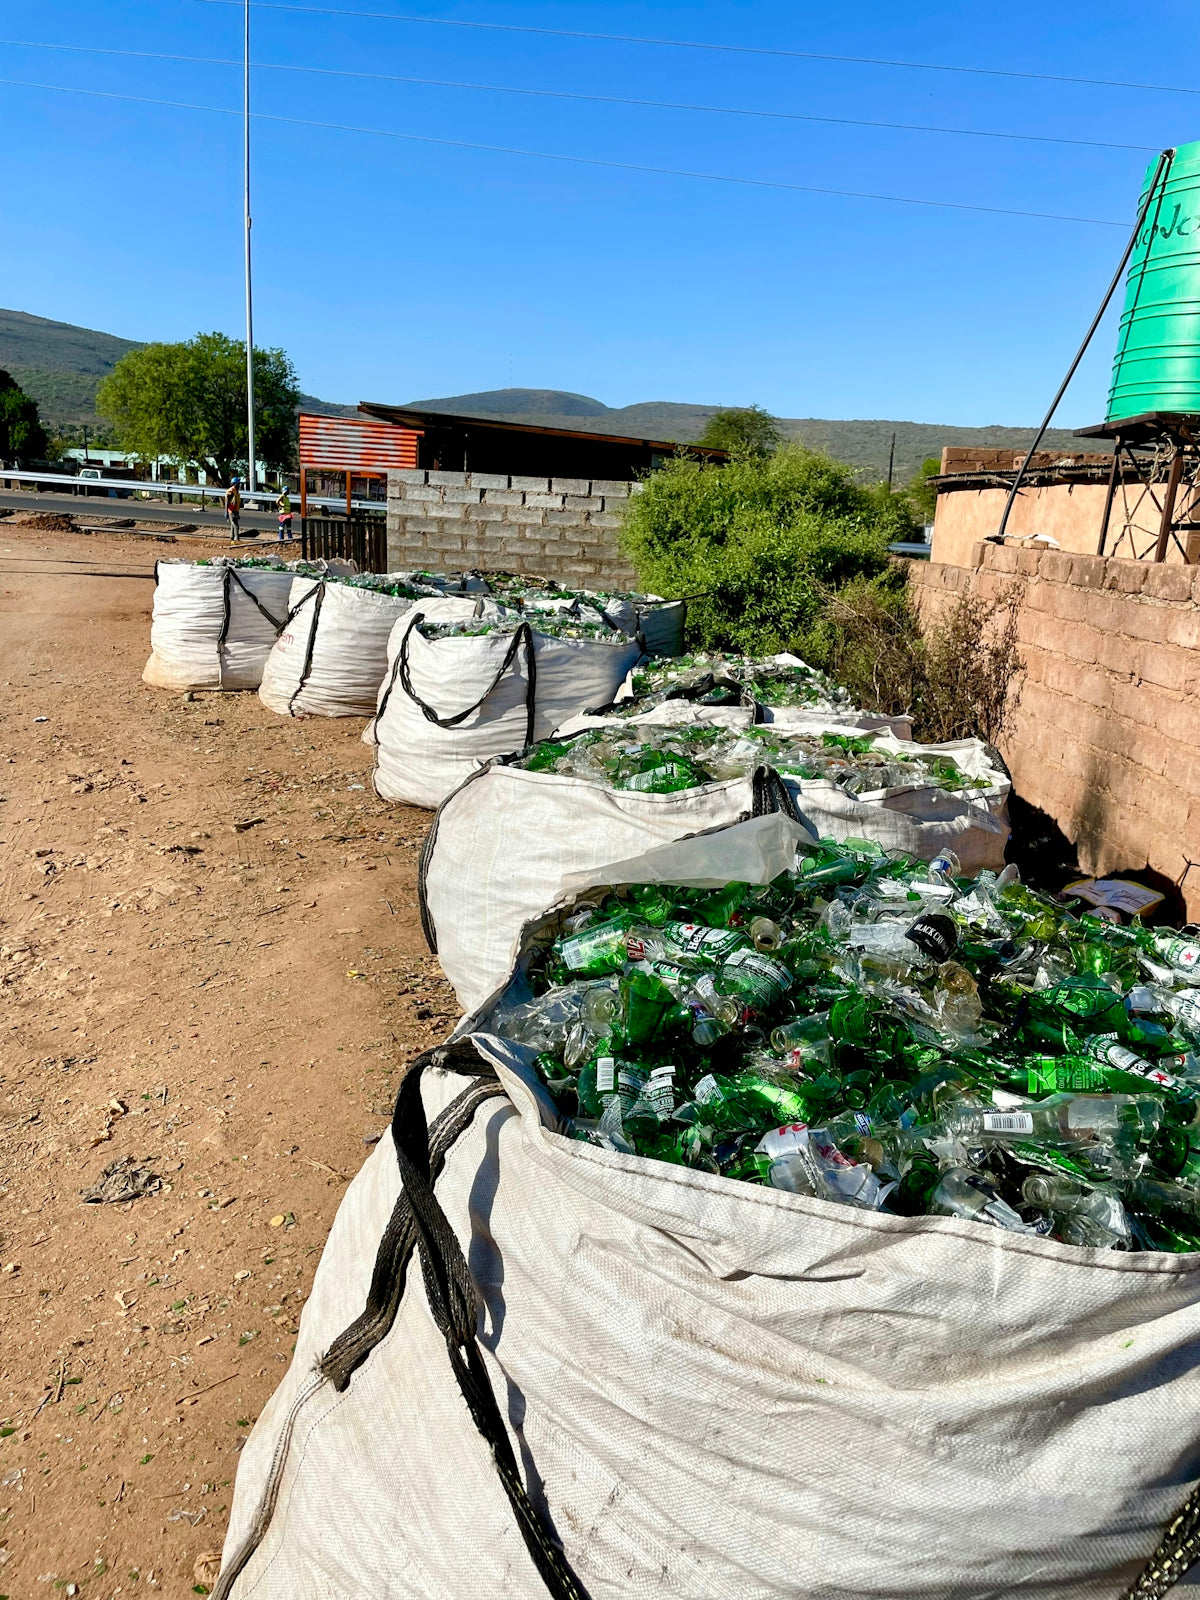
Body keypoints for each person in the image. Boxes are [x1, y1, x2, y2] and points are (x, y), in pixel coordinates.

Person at [224, 477, 242, 544]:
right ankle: (237, 539)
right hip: (231, 511)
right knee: (235, 525)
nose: (239, 485)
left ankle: (232, 537)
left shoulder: (236, 491)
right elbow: (227, 502)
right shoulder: (231, 491)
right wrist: (226, 512)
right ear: (234, 484)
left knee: (232, 525)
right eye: (238, 483)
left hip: (235, 511)